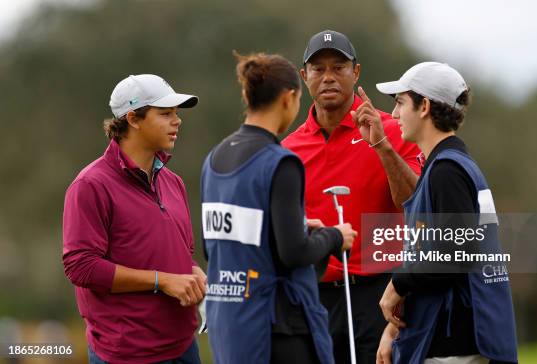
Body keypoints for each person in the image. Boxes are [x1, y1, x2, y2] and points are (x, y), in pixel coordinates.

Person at [353, 62, 518, 363]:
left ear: (425, 106)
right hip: (456, 339)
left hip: (453, 343)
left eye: (401, 103)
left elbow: (453, 253)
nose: (394, 114)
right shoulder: (450, 165)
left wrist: (397, 285)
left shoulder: (447, 171)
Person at [201, 51, 357, 364]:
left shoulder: (214, 158)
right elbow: (294, 254)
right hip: (276, 326)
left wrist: (296, 228)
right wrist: (335, 236)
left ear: (247, 95)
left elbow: (214, 246)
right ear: (289, 98)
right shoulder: (281, 161)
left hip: (229, 321)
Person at [282, 30, 422, 363]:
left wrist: (381, 146)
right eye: (318, 69)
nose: (328, 77)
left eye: (338, 67)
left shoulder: (392, 130)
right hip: (318, 298)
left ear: (356, 72)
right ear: (304, 77)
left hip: (383, 293)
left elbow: (415, 203)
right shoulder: (288, 150)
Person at [62, 74, 206, 364]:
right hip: (126, 353)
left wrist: (192, 272)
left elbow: (177, 253)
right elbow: (81, 267)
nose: (177, 121)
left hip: (183, 347)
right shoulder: (91, 185)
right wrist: (161, 281)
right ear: (133, 119)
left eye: (176, 114)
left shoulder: (173, 182)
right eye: (165, 114)